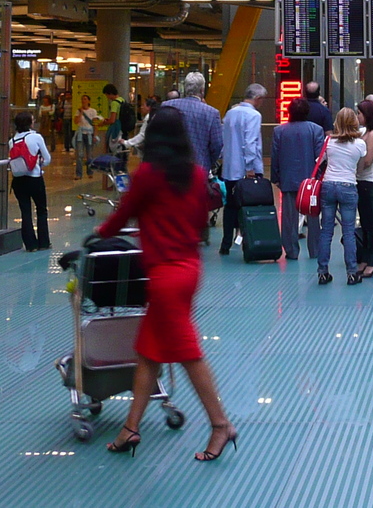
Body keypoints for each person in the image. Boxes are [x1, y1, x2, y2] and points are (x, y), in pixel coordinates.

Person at [95, 106, 238, 463]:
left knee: (188, 352)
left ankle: (220, 424)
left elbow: (123, 213)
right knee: (148, 351)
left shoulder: (147, 175)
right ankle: (130, 427)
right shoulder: (195, 174)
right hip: (189, 270)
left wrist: (98, 236)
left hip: (164, 277)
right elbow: (198, 221)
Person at [316, 107, 373, 285]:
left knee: (326, 231)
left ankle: (323, 272)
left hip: (328, 185)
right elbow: (361, 164)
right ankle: (351, 272)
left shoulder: (328, 142)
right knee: (348, 231)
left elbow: (319, 162)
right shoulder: (360, 144)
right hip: (348, 186)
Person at [269, 97, 324, 261]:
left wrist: (276, 177)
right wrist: (319, 178)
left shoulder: (279, 131)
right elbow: (320, 157)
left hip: (288, 179)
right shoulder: (316, 130)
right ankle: (315, 250)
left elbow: (275, 156)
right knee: (313, 217)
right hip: (311, 181)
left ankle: (291, 250)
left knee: (288, 219)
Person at [217, 84, 266, 256]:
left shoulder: (230, 113)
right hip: (246, 169)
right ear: (258, 98)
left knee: (230, 206)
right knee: (250, 207)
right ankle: (249, 242)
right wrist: (251, 167)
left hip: (230, 168)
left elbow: (223, 140)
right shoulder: (253, 115)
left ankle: (225, 243)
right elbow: (250, 142)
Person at [164, 72, 224, 176]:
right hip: (199, 168)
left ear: (185, 87)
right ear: (202, 90)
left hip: (170, 166)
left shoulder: (167, 106)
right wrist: (208, 161)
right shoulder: (212, 113)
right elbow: (217, 144)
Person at [7, 111, 52, 251]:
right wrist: (38, 164)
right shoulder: (36, 137)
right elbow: (48, 158)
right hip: (34, 178)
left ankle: (30, 244)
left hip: (18, 181)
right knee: (41, 210)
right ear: (29, 123)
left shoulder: (12, 141)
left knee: (25, 211)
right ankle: (44, 243)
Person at [355, 100, 373, 278]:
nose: (357, 116)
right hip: (363, 181)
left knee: (370, 221)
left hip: (370, 181)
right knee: (365, 222)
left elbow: (368, 160)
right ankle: (366, 256)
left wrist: (354, 167)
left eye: (359, 113)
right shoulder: (365, 133)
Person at [73, 94, 99, 179]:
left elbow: (95, 124)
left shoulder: (93, 111)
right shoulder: (78, 111)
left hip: (89, 134)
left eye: (85, 99)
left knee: (89, 154)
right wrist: (81, 112)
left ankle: (90, 171)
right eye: (82, 99)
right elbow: (76, 122)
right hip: (81, 134)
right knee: (79, 155)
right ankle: (79, 173)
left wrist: (95, 135)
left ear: (88, 101)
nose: (83, 101)